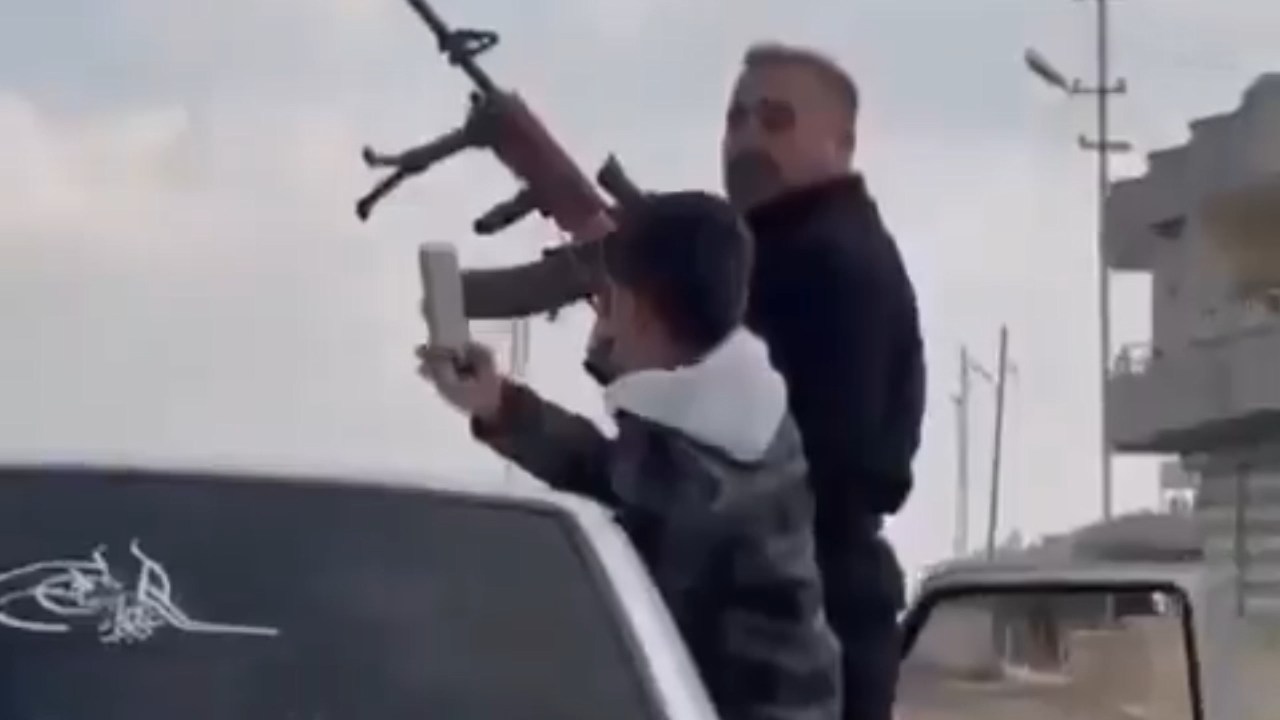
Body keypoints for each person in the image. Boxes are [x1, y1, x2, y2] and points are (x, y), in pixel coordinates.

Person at [418, 191, 842, 720]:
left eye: (610, 302)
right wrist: (501, 405)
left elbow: (598, 634)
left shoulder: (688, 482)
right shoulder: (747, 419)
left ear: (639, 313)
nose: (601, 323)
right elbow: (609, 473)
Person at [721, 43, 927, 720]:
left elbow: (833, 464)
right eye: (737, 118)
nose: (748, 137)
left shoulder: (829, 262)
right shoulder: (778, 254)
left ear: (841, 143)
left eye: (776, 119)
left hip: (804, 622)